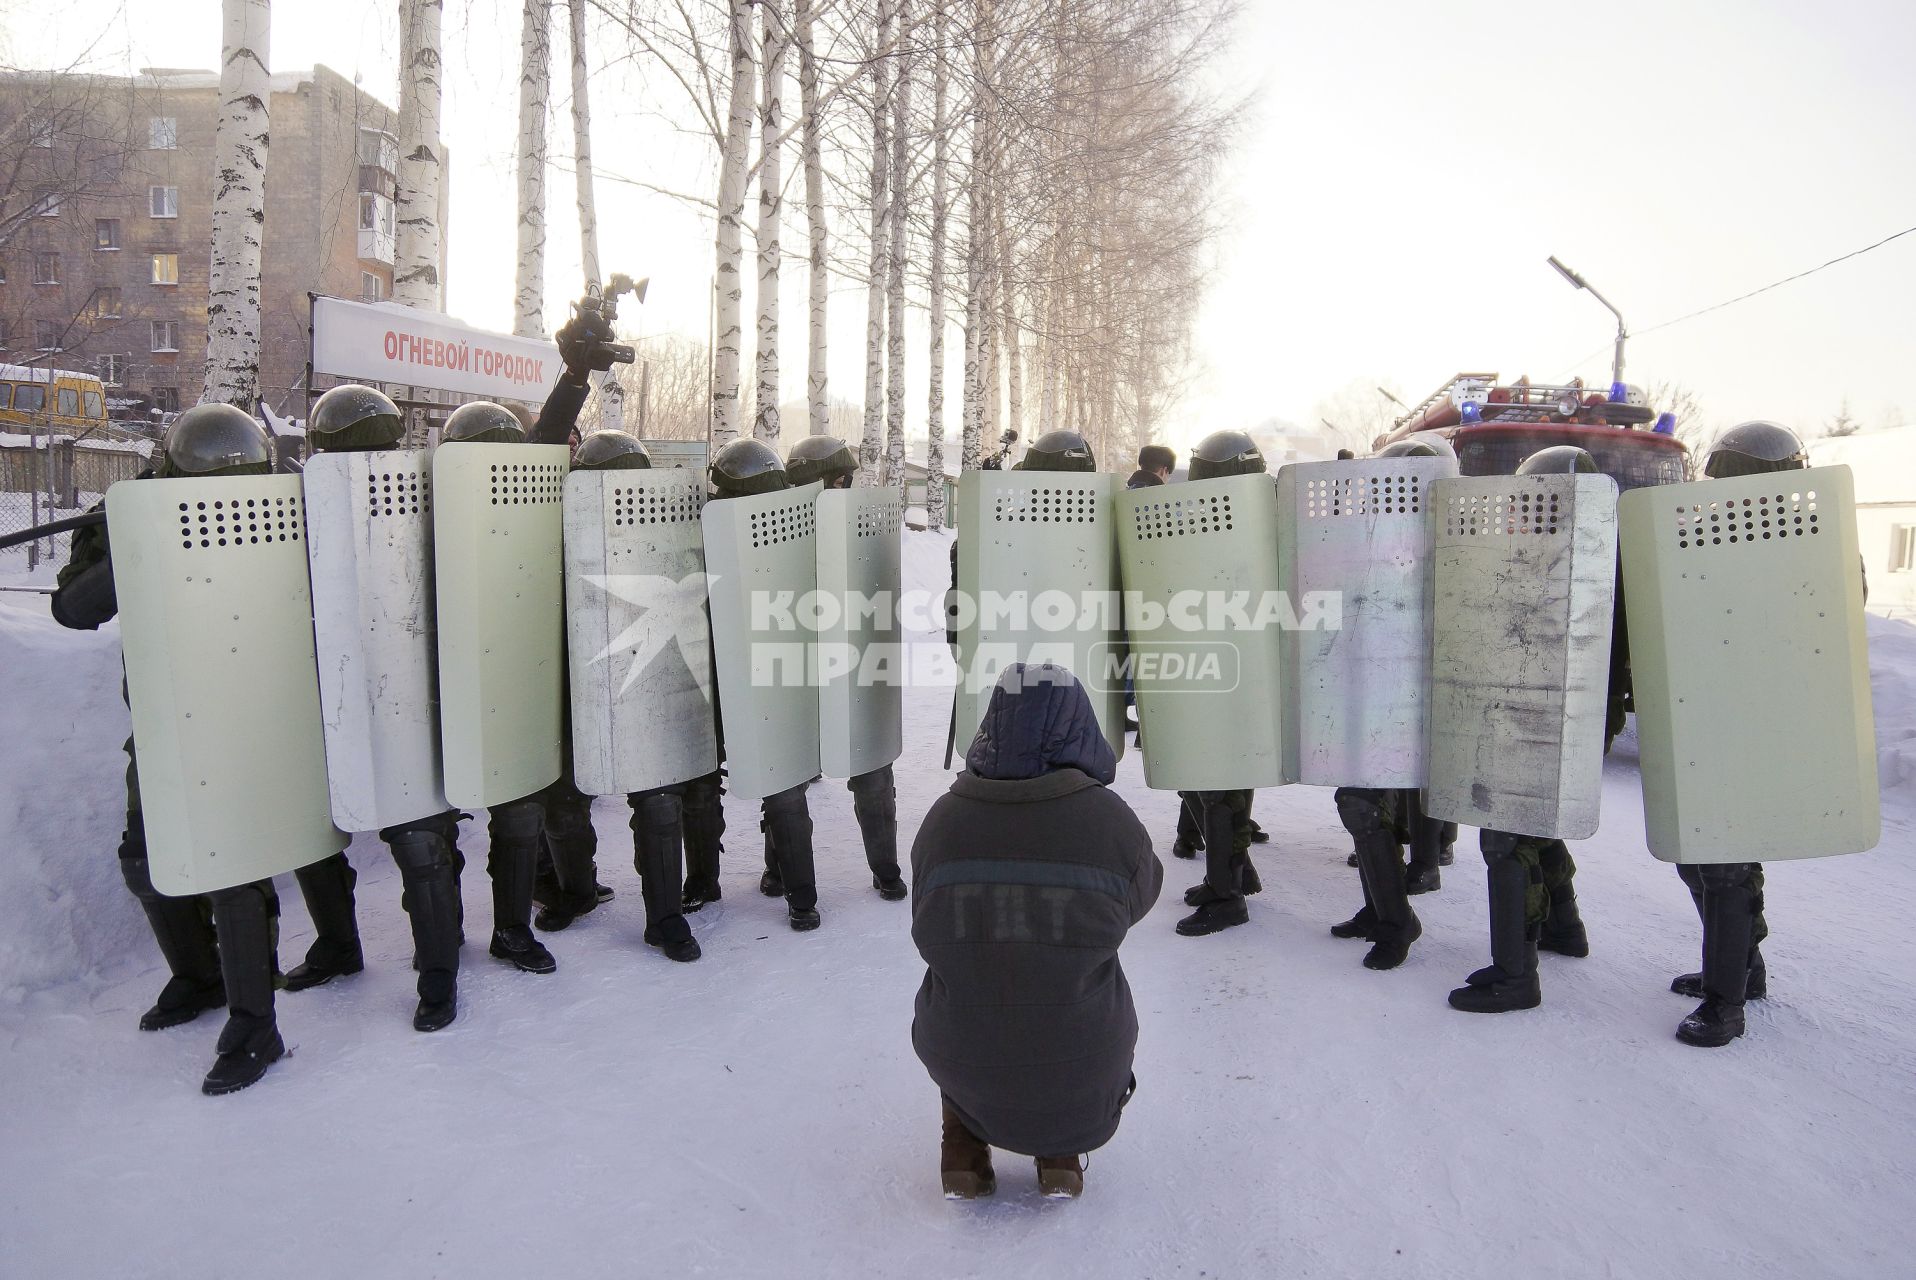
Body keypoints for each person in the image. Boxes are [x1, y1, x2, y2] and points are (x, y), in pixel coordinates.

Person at [52, 404, 319, 1093]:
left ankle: (255, 1025)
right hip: (169, 711)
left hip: (251, 708)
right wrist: (138, 545)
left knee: (237, 863)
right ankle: (197, 977)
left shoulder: (282, 503)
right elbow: (73, 610)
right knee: (145, 858)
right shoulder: (132, 510)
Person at [911, 663, 1161, 1199]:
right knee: (1064, 1001)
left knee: (969, 998)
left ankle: (962, 1150)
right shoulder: (1111, 821)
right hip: (1083, 1050)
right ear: (1080, 726)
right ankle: (1060, 1156)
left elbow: (924, 916)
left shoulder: (944, 819)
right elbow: (1139, 900)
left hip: (959, 1052)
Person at [305, 384, 468, 1030]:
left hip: (410, 690)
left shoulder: (437, 492)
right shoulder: (308, 499)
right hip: (333, 692)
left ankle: (439, 975)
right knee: (313, 834)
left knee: (422, 841)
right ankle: (343, 949)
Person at [1665, 421, 1810, 1047]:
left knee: (1722, 859)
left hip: (1764, 715)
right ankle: (1743, 969)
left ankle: (1727, 1004)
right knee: (1699, 855)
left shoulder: (1815, 539)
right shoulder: (1698, 535)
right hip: (1708, 709)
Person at [1447, 445, 1596, 1014]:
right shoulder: (1608, 547)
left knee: (1505, 837)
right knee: (1537, 825)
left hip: (1532, 706)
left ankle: (1517, 976)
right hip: (1570, 715)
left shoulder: (1544, 554)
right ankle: (1565, 927)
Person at [439, 400, 563, 975]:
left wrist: (574, 379)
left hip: (510, 678)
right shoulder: (417, 495)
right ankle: (437, 942)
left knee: (518, 818)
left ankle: (511, 929)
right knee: (425, 837)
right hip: (434, 693)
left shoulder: (529, 495)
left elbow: (552, 438)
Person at [700, 437, 824, 931]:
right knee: (754, 786)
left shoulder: (795, 528)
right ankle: (722, 883)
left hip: (759, 672)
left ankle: (794, 889)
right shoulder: (708, 527)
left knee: (782, 788)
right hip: (713, 674)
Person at [783, 434, 908, 901]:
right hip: (795, 662)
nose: (846, 485)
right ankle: (785, 875)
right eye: (839, 478)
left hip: (845, 661)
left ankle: (885, 868)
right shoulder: (774, 520)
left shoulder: (859, 521)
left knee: (871, 771)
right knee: (788, 774)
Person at [1171, 429, 1268, 938]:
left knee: (1220, 788)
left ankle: (1228, 894)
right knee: (1203, 782)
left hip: (1243, 670)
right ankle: (1231, 875)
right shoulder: (1204, 516)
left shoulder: (1265, 515)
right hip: (1210, 663)